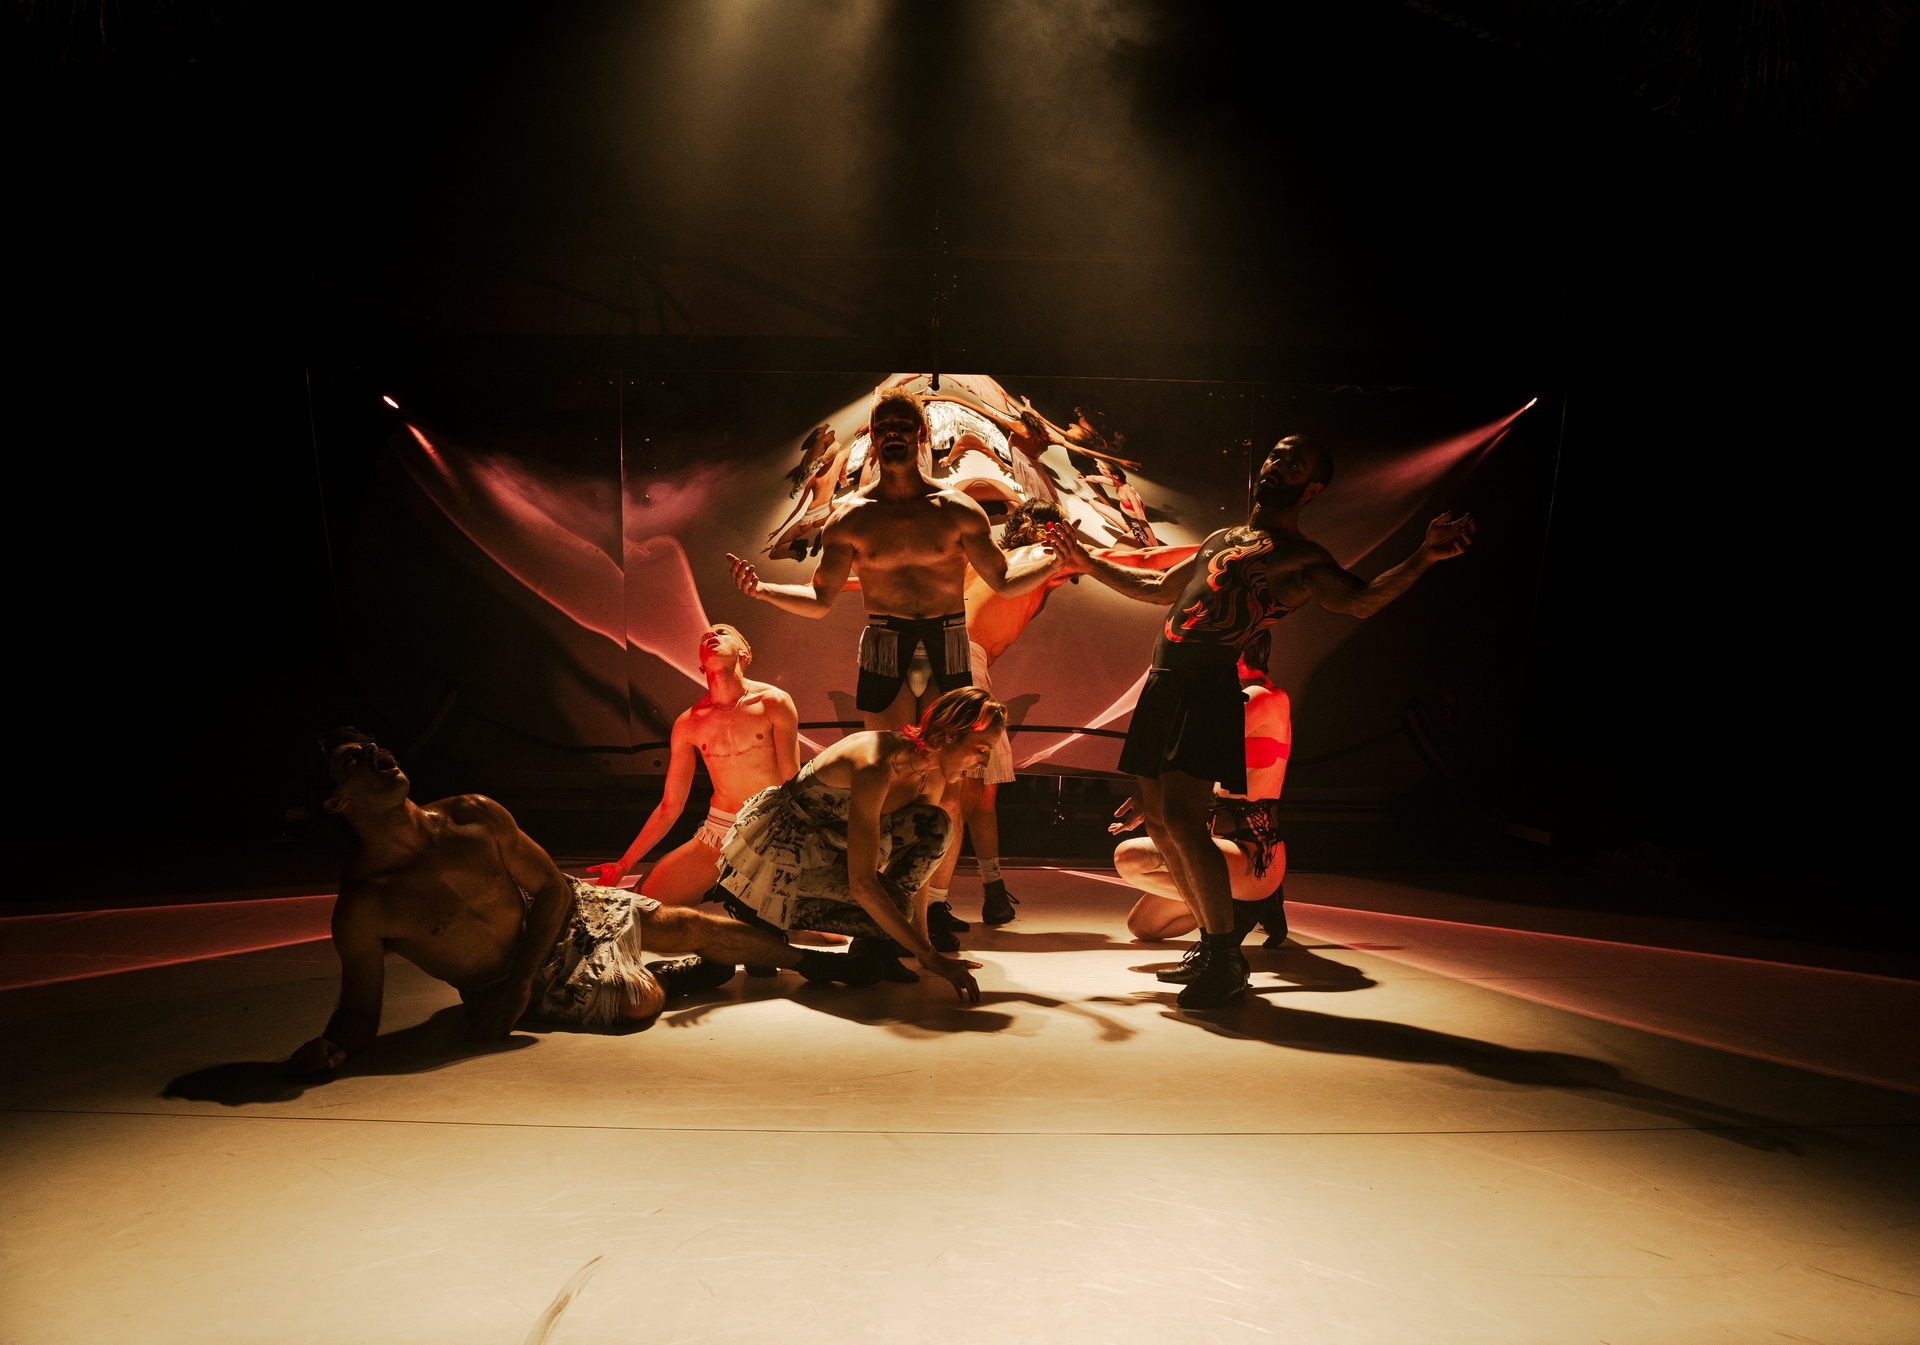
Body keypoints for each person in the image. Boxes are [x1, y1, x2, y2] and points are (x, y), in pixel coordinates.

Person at [1048, 434, 1475, 1008]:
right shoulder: (1221, 540)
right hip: (1164, 684)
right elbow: (1155, 587)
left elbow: (1361, 599)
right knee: (1162, 822)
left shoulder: (1301, 558)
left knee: (1184, 822)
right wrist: (1086, 563)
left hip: (1204, 688)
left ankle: (1226, 959)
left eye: (1293, 465)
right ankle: (1211, 947)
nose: (1276, 466)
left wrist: (1424, 555)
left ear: (1312, 489)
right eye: (1276, 455)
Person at [288, 729, 890, 1075]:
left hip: (557, 916)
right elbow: (359, 1012)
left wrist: (523, 979)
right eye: (351, 760)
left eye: (371, 743)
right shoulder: (366, 904)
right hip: (507, 982)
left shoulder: (472, 816)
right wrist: (328, 1052)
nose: (375, 752)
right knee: (635, 1001)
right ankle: (675, 977)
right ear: (337, 803)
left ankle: (819, 964)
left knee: (684, 922)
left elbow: (553, 887)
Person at [725, 387, 1061, 735]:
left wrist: (1052, 564)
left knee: (943, 756)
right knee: (888, 756)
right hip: (884, 641)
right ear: (873, 437)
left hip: (948, 639)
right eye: (883, 427)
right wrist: (762, 590)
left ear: (921, 433)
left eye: (902, 425)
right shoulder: (849, 519)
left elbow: (1004, 581)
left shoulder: (959, 510)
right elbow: (820, 599)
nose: (893, 433)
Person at [710, 687, 1007, 1005]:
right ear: (949, 736)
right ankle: (760, 920)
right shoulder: (874, 764)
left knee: (936, 825)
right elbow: (862, 883)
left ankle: (875, 942)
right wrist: (929, 955)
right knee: (896, 908)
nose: (985, 761)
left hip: (831, 852)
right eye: (981, 749)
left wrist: (923, 946)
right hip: (780, 861)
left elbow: (921, 862)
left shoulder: (929, 772)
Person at [920, 498, 1085, 932]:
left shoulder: (984, 561)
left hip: (943, 654)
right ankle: (932, 905)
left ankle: (993, 891)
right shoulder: (1046, 554)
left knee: (981, 790)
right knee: (958, 792)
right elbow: (1136, 561)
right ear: (1049, 529)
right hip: (964, 661)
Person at [588, 624, 799, 904]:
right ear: (701, 666)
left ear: (744, 654)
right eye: (705, 636)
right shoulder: (688, 722)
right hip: (718, 834)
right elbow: (670, 806)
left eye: (722, 632)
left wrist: (801, 843)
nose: (711, 635)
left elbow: (793, 783)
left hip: (771, 829)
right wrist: (623, 864)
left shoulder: (773, 702)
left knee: (809, 921)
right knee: (645, 902)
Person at [1110, 631, 1291, 953]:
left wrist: (1149, 797)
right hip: (1221, 851)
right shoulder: (1244, 695)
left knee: (1129, 856)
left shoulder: (1261, 697)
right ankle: (1233, 909)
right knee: (1144, 927)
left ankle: (1244, 907)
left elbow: (1197, 747)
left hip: (1253, 856)